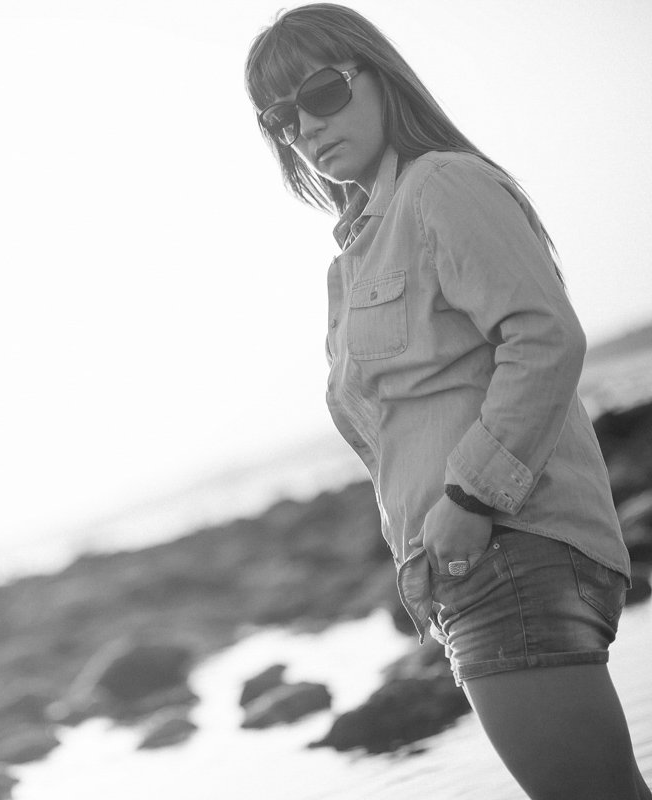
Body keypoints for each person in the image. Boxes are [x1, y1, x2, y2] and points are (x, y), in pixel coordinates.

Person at [244, 5, 649, 799]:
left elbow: (544, 338)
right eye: (282, 120)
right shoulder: (365, 242)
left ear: (378, 76)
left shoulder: (443, 186)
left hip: (510, 545)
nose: (306, 128)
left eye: (322, 93)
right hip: (478, 566)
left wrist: (466, 499)